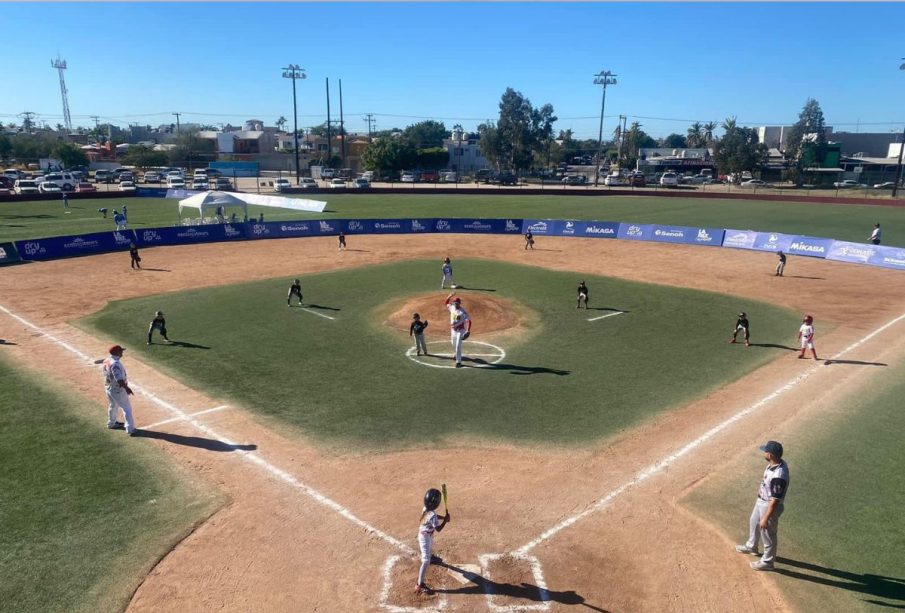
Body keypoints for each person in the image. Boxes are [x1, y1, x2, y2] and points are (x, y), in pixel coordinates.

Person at [735, 440, 789, 571]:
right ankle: (752, 546)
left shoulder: (779, 476)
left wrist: (766, 517)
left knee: (768, 533)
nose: (763, 452)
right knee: (753, 521)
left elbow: (775, 500)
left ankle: (768, 562)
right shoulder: (775, 463)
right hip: (762, 500)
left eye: (765, 451)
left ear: (770, 455)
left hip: (769, 505)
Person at [416, 488, 450, 594]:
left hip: (426, 535)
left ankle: (431, 557)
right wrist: (445, 520)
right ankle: (419, 585)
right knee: (425, 561)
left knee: (430, 549)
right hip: (424, 538)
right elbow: (438, 529)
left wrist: (443, 517)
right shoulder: (433, 515)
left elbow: (433, 516)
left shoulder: (426, 508)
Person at [102, 345, 137, 436]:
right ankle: (130, 428)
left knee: (113, 405)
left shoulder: (107, 360)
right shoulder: (115, 364)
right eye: (121, 351)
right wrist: (127, 388)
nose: (122, 352)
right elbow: (119, 379)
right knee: (127, 408)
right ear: (117, 353)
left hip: (108, 387)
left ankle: (111, 423)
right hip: (118, 389)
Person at [445, 292, 471, 368]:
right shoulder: (452, 307)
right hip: (453, 330)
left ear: (459, 303)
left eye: (457, 303)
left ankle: (458, 362)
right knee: (453, 343)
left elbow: (469, 321)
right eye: (454, 303)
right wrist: (449, 296)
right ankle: (457, 355)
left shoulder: (463, 312)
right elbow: (446, 303)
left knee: (458, 346)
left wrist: (468, 330)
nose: (455, 304)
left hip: (460, 331)